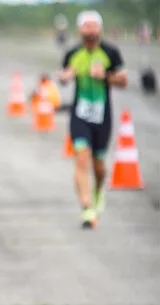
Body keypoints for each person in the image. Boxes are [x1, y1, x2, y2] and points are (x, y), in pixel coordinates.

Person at [57, 10, 127, 229]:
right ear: (80, 29)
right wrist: (64, 77)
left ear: (100, 28)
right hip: (79, 114)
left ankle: (98, 190)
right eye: (86, 26)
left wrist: (105, 76)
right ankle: (87, 207)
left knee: (99, 166)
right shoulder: (72, 53)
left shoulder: (110, 52)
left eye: (93, 26)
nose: (90, 30)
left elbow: (124, 81)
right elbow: (64, 76)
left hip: (102, 116)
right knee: (81, 157)